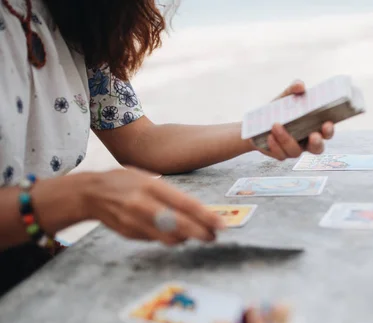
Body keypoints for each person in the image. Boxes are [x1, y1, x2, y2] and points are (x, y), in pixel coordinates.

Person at [0, 0, 335, 293]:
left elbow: (140, 140)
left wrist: (257, 130)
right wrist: (84, 194)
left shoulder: (72, 16)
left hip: (35, 265)